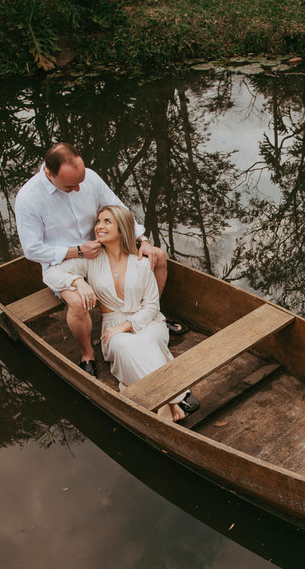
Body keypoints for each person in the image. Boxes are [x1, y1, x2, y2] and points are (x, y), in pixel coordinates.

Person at [13, 142, 175, 376]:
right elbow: (33, 250)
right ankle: (87, 353)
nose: (78, 189)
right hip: (65, 262)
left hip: (102, 252)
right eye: (70, 186)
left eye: (80, 182)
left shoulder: (89, 178)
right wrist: (78, 252)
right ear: (49, 173)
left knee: (157, 257)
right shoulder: (28, 198)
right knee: (77, 302)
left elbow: (119, 208)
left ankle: (151, 318)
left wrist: (143, 240)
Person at [88, 204, 198, 422]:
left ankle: (162, 402)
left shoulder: (140, 263)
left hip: (149, 321)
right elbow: (53, 274)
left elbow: (152, 307)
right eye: (98, 221)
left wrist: (126, 326)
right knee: (121, 344)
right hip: (113, 327)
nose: (99, 226)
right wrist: (75, 282)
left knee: (147, 341)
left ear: (122, 229)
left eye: (107, 221)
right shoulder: (89, 260)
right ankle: (173, 399)